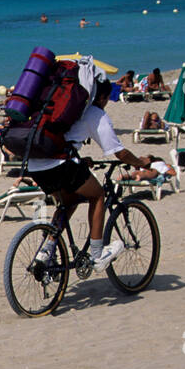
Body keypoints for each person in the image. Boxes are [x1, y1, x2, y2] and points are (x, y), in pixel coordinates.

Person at [23, 74, 155, 271]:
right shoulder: (95, 113)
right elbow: (119, 152)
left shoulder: (66, 108)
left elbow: (64, 137)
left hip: (34, 164)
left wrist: (80, 159)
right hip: (60, 164)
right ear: (102, 97)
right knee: (98, 195)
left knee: (68, 202)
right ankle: (97, 254)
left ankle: (47, 249)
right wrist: (140, 162)